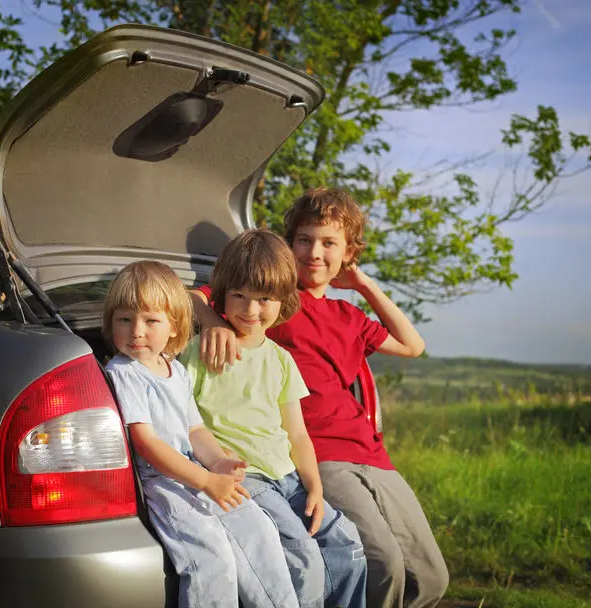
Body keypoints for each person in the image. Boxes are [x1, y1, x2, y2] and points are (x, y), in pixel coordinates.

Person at [191, 188, 450, 608]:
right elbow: (191, 296)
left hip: (370, 452)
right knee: (383, 563)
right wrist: (211, 324)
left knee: (432, 576)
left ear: (348, 252)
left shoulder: (348, 316)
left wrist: (362, 284)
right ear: (289, 246)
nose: (315, 252)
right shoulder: (272, 301)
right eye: (304, 240)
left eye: (330, 243)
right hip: (319, 451)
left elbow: (413, 345)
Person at [179, 229, 367, 608]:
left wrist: (314, 484)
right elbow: (185, 418)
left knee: (348, 548)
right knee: (303, 556)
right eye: (240, 297)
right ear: (221, 296)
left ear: (282, 301)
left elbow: (297, 433)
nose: (251, 310)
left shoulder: (281, 359)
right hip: (246, 478)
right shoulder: (201, 351)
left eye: (264, 299)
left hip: (288, 477)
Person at [102, 260, 298, 608]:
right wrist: (205, 481)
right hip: (164, 484)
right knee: (211, 556)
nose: (136, 331)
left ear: (174, 327)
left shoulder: (175, 370)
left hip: (195, 472)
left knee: (259, 530)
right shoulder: (124, 372)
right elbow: (146, 443)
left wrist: (219, 461)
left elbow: (194, 428)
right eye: (125, 319)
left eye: (150, 320)